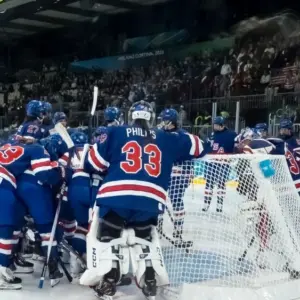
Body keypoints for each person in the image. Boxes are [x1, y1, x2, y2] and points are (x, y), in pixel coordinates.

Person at [80, 101, 205, 299]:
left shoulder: (116, 132)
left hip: (115, 195)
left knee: (108, 234)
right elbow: (199, 147)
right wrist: (174, 135)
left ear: (131, 116)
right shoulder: (167, 137)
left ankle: (109, 276)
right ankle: (149, 277)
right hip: (151, 199)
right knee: (144, 234)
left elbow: (93, 163)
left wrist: (94, 146)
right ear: (153, 118)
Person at [0, 140, 66, 289]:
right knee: (45, 227)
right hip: (28, 186)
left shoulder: (8, 143)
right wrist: (60, 176)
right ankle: (53, 266)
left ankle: (9, 263)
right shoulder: (38, 149)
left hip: (14, 186)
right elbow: (43, 175)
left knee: (12, 226)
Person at [158, 108, 194, 240]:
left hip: (180, 173)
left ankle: (178, 228)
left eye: (164, 120)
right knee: (158, 198)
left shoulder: (184, 136)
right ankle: (158, 226)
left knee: (176, 199)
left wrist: (188, 172)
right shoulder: (161, 134)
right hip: (164, 172)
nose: (161, 123)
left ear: (171, 121)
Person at [203, 116, 237, 213]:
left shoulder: (232, 134)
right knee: (208, 183)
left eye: (217, 125)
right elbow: (207, 147)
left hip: (224, 163)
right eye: (214, 124)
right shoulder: (212, 135)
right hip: (211, 163)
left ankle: (219, 204)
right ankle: (206, 204)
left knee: (221, 183)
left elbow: (236, 147)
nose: (214, 126)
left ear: (222, 125)